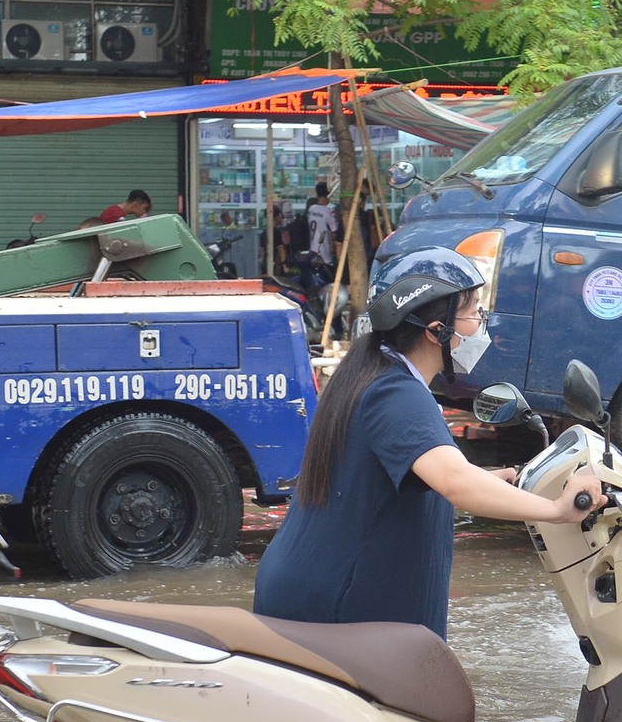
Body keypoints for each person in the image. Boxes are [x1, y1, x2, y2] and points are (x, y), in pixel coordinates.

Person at [252, 247, 601, 637]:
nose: (481, 325)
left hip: (319, 592)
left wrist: (490, 477)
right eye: (472, 313)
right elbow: (455, 484)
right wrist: (556, 509)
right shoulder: (396, 392)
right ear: (437, 331)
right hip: (338, 611)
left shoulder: (374, 373)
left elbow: (419, 475)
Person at [306, 181, 337, 269]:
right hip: (325, 254)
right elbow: (334, 233)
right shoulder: (329, 211)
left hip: (312, 251)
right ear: (328, 195)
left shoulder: (311, 209)